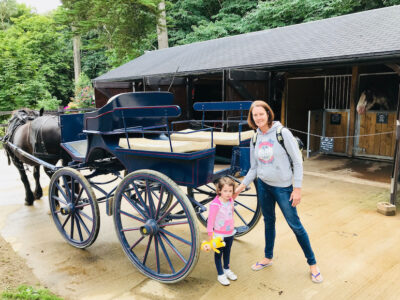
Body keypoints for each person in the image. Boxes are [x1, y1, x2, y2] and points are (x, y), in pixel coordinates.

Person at [234, 100, 323, 284]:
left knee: (295, 226)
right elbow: (254, 167)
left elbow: (298, 161)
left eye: (261, 114)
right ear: (252, 118)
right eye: (255, 115)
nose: (258, 117)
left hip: (283, 188)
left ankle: (313, 264)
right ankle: (267, 257)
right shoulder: (255, 137)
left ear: (268, 114)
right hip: (264, 186)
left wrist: (297, 188)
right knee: (269, 222)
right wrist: (241, 187)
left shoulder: (283, 133)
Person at [205, 176, 238, 286]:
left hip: (230, 233)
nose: (228, 194)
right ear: (219, 191)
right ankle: (220, 274)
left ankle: (226, 269)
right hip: (219, 234)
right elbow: (210, 221)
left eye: (230, 191)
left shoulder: (231, 200)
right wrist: (211, 236)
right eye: (225, 191)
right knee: (218, 254)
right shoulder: (215, 205)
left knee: (228, 252)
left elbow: (231, 214)